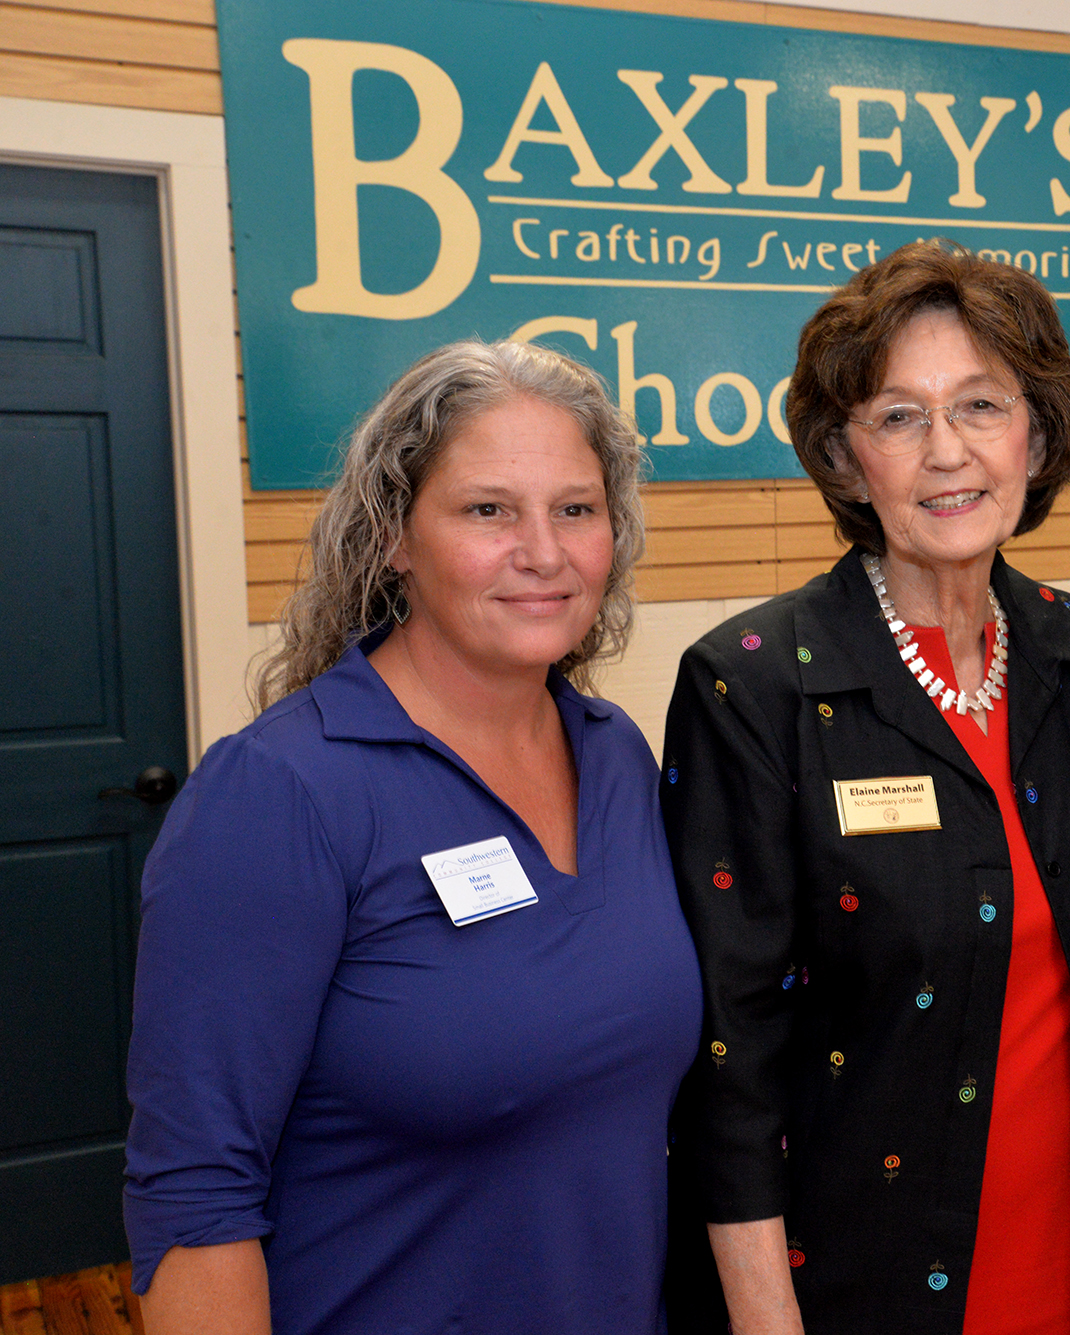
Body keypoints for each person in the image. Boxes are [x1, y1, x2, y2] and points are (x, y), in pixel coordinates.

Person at [123, 340, 703, 1335]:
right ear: (394, 534)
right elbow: (193, 1196)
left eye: (575, 509)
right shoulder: (281, 792)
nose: (544, 552)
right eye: (487, 510)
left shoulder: (613, 756)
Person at [660, 242, 1070, 1335]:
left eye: (980, 404)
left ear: (1039, 430)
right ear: (843, 456)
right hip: (854, 1283)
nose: (948, 452)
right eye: (898, 416)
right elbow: (726, 1058)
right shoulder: (756, 684)